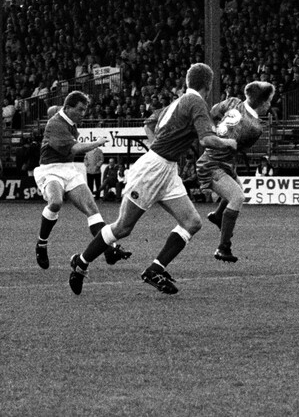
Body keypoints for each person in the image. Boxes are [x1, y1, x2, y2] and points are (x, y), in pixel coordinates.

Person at [67, 63, 238, 295]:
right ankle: (81, 261)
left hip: (167, 168)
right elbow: (207, 140)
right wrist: (228, 142)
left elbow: (151, 122)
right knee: (123, 227)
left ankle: (155, 269)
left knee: (192, 222)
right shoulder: (196, 102)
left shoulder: (179, 101)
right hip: (154, 168)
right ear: (209, 85)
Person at [33, 91, 130, 271]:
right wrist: (97, 143)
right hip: (50, 170)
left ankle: (109, 251)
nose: (83, 113)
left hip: (68, 169)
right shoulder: (55, 124)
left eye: (85, 110)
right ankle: (41, 244)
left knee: (92, 210)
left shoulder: (68, 121)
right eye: (80, 109)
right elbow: (77, 148)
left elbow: (54, 109)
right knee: (55, 202)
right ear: (68, 108)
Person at [198, 81, 275, 262]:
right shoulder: (255, 127)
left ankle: (218, 216)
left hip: (218, 160)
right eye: (269, 101)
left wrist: (214, 131)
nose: (270, 105)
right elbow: (238, 147)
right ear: (263, 102)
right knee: (237, 197)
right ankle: (223, 248)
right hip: (212, 164)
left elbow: (212, 114)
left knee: (238, 189)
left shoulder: (232, 102)